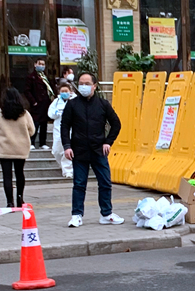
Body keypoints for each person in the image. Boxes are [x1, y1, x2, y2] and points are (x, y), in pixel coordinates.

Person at [61, 72, 123, 227]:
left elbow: (116, 124)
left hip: (99, 150)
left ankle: (106, 213)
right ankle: (76, 215)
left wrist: (108, 142)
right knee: (79, 184)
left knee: (105, 182)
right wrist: (67, 146)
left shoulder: (103, 104)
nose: (84, 86)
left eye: (87, 84)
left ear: (94, 86)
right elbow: (65, 126)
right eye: (81, 83)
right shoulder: (72, 104)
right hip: (79, 151)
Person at [0, 88, 35, 208]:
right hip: (21, 148)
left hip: (4, 148)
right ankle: (20, 199)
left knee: (7, 175)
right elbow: (32, 130)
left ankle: (9, 202)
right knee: (20, 173)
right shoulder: (25, 113)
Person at [48, 79, 75, 178]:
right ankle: (62, 166)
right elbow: (50, 113)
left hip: (71, 130)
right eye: (62, 91)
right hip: (58, 129)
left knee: (67, 150)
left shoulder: (74, 101)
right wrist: (56, 113)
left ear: (70, 91)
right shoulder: (56, 102)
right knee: (56, 150)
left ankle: (68, 170)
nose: (64, 93)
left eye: (66, 91)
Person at [24, 58, 53, 150]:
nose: (41, 66)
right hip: (36, 104)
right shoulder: (31, 77)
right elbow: (27, 91)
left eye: (43, 64)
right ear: (35, 65)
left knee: (44, 124)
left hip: (45, 104)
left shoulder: (45, 77)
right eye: (39, 64)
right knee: (35, 124)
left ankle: (42, 143)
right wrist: (33, 102)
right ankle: (31, 142)